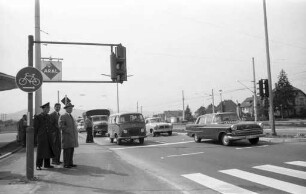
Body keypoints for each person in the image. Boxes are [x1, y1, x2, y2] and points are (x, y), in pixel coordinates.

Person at [34, 102, 55, 170]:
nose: (49, 109)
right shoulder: (38, 117)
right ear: (44, 109)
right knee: (40, 151)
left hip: (48, 136)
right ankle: (38, 165)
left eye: (49, 108)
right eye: (47, 108)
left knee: (48, 150)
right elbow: (36, 128)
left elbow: (50, 126)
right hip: (41, 137)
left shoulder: (48, 116)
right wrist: (35, 138)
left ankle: (47, 164)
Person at [59, 103, 79, 168]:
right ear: (66, 109)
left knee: (71, 150)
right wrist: (68, 130)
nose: (71, 109)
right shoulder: (63, 116)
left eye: (71, 108)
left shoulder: (71, 116)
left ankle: (70, 163)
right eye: (69, 108)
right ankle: (66, 164)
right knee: (67, 150)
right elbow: (61, 126)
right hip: (67, 136)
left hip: (72, 136)